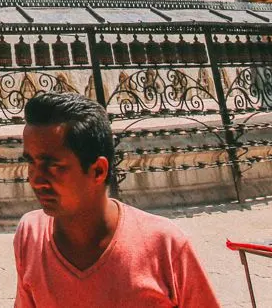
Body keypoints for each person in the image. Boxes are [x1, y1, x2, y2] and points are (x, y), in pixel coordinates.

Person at [13, 92, 220, 307]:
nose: (36, 179)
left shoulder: (165, 246)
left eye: (53, 165)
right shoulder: (30, 235)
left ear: (98, 171)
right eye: (31, 163)